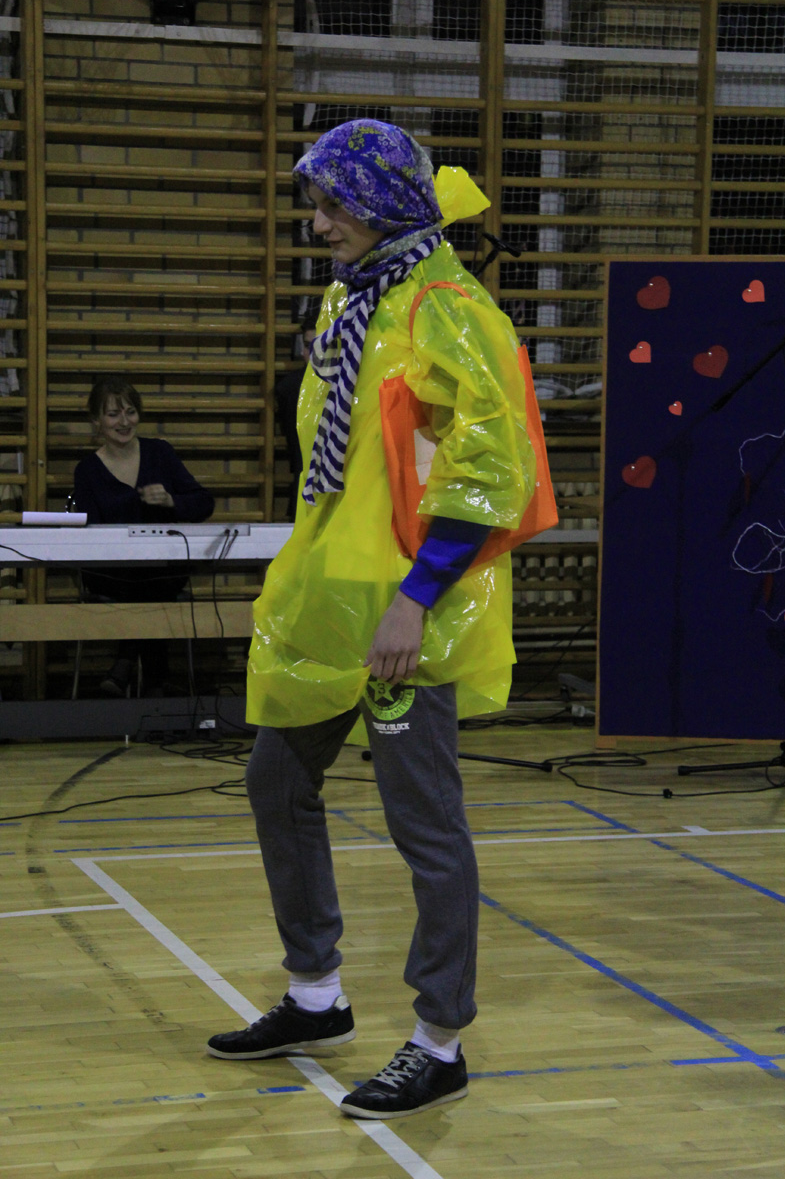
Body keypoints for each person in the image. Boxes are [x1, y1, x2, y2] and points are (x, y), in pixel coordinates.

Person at [206, 120, 549, 1119]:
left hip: (409, 614)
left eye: (333, 206)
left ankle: (439, 1041)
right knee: (277, 779)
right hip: (332, 596)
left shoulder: (452, 310)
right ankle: (316, 996)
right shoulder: (356, 295)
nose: (317, 225)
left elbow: (491, 472)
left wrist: (413, 601)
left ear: (384, 205)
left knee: (423, 827)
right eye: (314, 206)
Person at [72, 377, 215, 696]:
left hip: (163, 566)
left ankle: (126, 662)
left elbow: (204, 503)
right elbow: (90, 532)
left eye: (130, 412)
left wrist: (171, 500)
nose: (124, 422)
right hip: (112, 571)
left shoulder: (160, 453)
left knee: (153, 580)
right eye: (113, 414)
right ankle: (155, 684)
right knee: (148, 588)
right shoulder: (87, 470)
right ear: (96, 421)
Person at [274, 314, 317, 519]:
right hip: (306, 495)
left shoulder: (356, 387)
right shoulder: (290, 389)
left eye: (310, 346)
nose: (303, 353)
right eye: (306, 345)